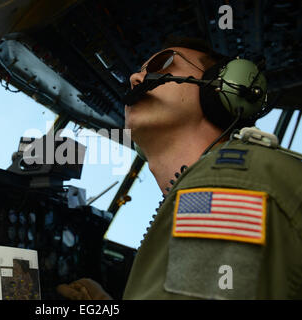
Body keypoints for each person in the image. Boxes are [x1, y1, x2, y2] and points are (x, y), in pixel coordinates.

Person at [58, 37, 302, 299]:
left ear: (225, 88)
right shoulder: (221, 177)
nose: (135, 78)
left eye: (162, 65)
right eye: (140, 71)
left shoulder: (228, 182)